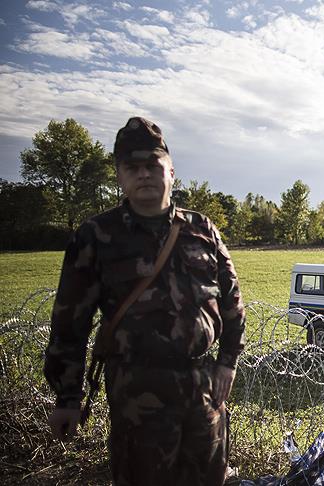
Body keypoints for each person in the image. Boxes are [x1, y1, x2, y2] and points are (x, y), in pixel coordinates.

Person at [44, 117, 246, 486]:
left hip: (202, 392)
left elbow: (232, 300)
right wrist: (67, 397)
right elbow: (70, 322)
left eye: (152, 166)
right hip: (138, 393)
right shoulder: (97, 236)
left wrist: (227, 363)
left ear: (171, 171)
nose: (143, 174)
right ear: (119, 176)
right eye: (131, 167)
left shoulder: (201, 230)